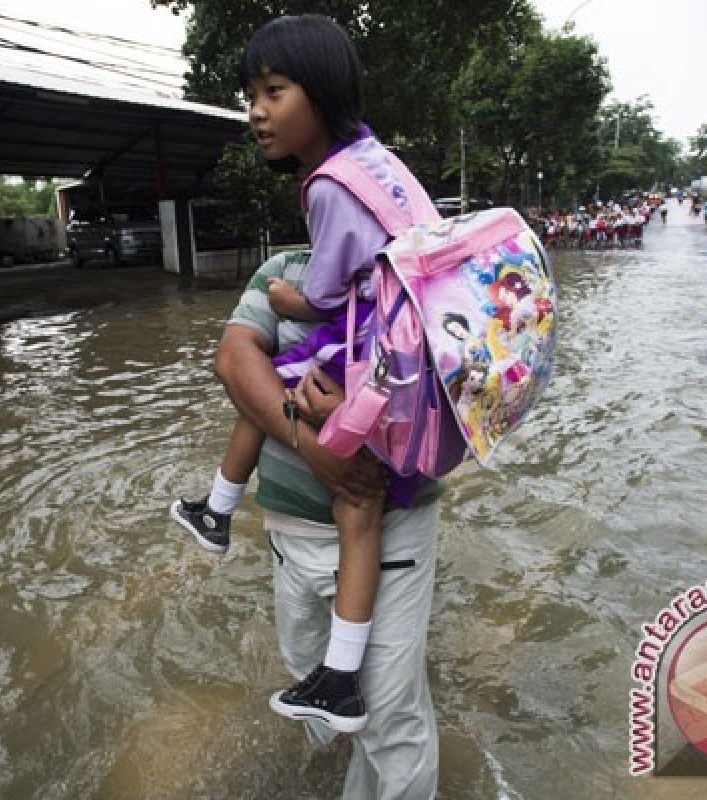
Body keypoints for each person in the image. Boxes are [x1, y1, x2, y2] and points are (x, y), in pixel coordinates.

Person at [168, 14, 437, 737]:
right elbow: (236, 360)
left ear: (317, 94)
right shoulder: (380, 162)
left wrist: (294, 303)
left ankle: (220, 515)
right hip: (400, 366)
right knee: (279, 390)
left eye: (273, 91)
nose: (255, 111)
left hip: (377, 374)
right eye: (250, 94)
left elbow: (320, 297)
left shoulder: (327, 190)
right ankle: (221, 516)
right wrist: (305, 426)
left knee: (357, 509)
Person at [216, 248, 443, 799]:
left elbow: (453, 391)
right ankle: (340, 748)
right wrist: (316, 444)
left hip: (393, 530)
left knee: (392, 711)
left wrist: (353, 417)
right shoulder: (283, 270)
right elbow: (233, 360)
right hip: (291, 533)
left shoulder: (425, 275)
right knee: (307, 666)